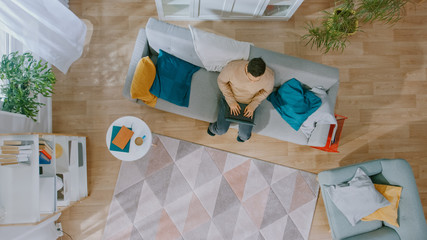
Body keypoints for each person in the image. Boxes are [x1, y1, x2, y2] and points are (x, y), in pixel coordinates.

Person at [207, 57, 274, 142]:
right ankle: (212, 128)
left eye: (257, 80)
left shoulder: (269, 76)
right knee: (221, 130)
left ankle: (241, 137)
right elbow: (221, 81)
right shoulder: (232, 68)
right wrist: (231, 101)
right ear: (247, 69)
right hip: (230, 98)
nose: (252, 82)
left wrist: (254, 104)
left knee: (245, 136)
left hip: (249, 103)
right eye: (250, 79)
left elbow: (267, 91)